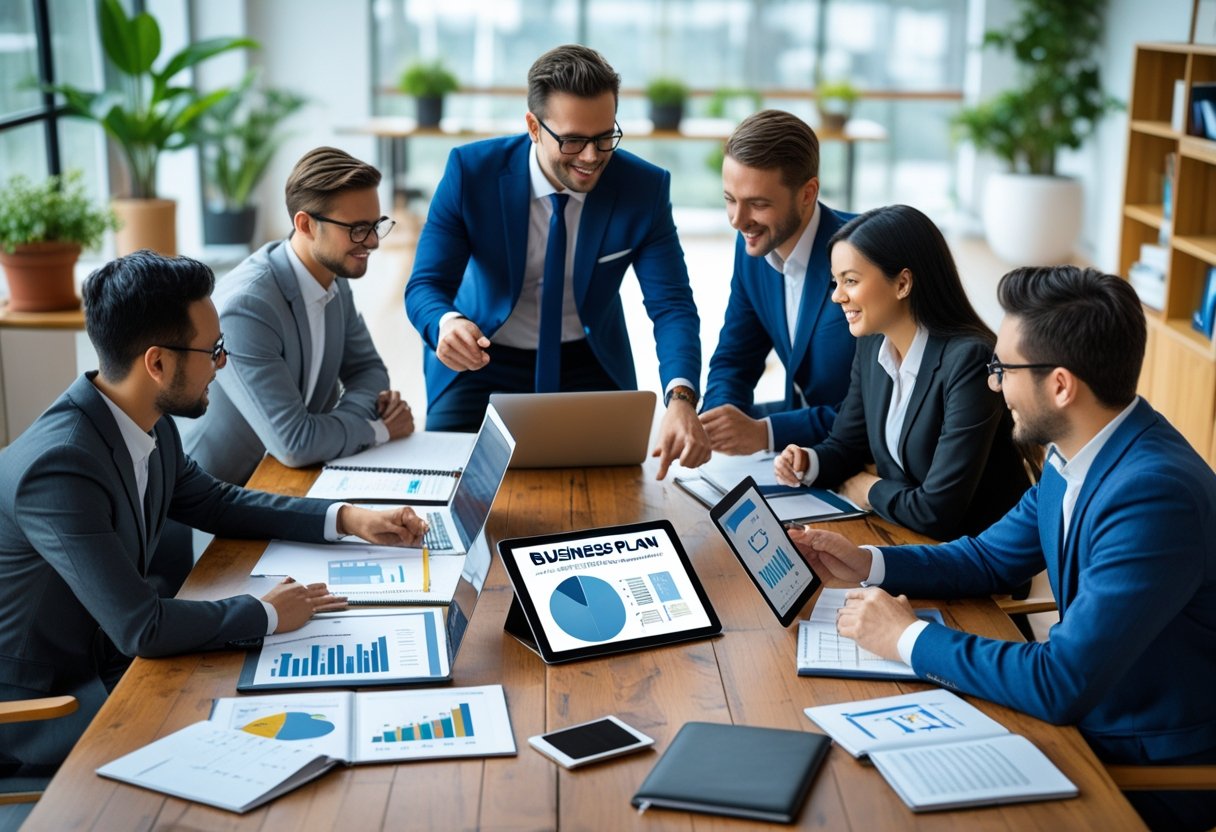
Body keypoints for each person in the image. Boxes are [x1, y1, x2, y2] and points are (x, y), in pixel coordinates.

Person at [792, 265, 1216, 832]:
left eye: (1002, 368)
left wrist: (905, 637)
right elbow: (988, 558)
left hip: (1139, 765)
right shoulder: (1081, 448)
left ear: (1061, 385)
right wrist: (869, 561)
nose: (993, 384)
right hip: (1077, 722)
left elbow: (1059, 682)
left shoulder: (1153, 495)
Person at [0, 251, 428, 771]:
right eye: (214, 350)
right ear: (156, 363)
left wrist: (346, 518)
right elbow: (143, 627)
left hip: (113, 662)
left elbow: (215, 501)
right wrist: (267, 612)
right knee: (269, 738)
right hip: (46, 707)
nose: (223, 364)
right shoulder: (61, 468)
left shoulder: (143, 419)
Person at [404, 44, 708, 479]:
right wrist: (446, 323)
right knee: (453, 484)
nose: (591, 156)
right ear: (533, 126)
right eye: (572, 140)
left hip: (588, 360)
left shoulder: (644, 189)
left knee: (614, 491)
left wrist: (681, 399)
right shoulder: (471, 173)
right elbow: (425, 286)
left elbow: (672, 304)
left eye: (605, 137)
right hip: (481, 359)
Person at [772, 204, 1029, 539]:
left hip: (973, 561)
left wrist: (868, 489)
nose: (837, 296)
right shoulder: (871, 346)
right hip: (905, 535)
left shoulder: (969, 361)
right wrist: (809, 461)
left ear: (903, 283)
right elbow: (848, 444)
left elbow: (937, 511)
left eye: (850, 280)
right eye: (836, 281)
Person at [178, 147, 413, 486]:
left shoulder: (334, 278)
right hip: (219, 499)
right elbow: (295, 443)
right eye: (358, 228)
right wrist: (376, 428)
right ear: (305, 224)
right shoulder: (247, 308)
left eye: (376, 225)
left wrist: (334, 428)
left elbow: (368, 369)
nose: (373, 241)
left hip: (296, 479)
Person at [699, 109, 856, 454]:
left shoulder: (864, 258)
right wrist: (715, 418)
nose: (738, 221)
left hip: (858, 457)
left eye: (757, 204)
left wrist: (766, 434)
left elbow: (881, 410)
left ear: (807, 193)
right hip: (797, 453)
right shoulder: (753, 251)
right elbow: (735, 357)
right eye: (729, 200)